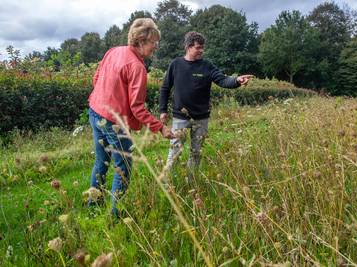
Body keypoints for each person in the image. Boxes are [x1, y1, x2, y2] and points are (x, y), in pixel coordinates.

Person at [88, 18, 173, 216]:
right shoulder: (137, 67)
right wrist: (160, 127)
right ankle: (116, 215)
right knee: (123, 166)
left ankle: (93, 205)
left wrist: (105, 96)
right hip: (114, 122)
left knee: (101, 161)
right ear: (141, 41)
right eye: (154, 42)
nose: (156, 47)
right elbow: (137, 108)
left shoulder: (113, 51)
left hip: (94, 111)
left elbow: (95, 78)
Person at [159, 31, 253, 173]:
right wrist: (163, 110)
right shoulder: (176, 64)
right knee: (174, 152)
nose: (201, 50)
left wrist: (236, 80)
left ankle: (192, 181)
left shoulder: (207, 66)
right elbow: (165, 88)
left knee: (196, 153)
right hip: (180, 117)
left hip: (201, 118)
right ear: (188, 47)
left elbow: (222, 79)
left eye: (203, 47)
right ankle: (167, 182)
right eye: (198, 47)